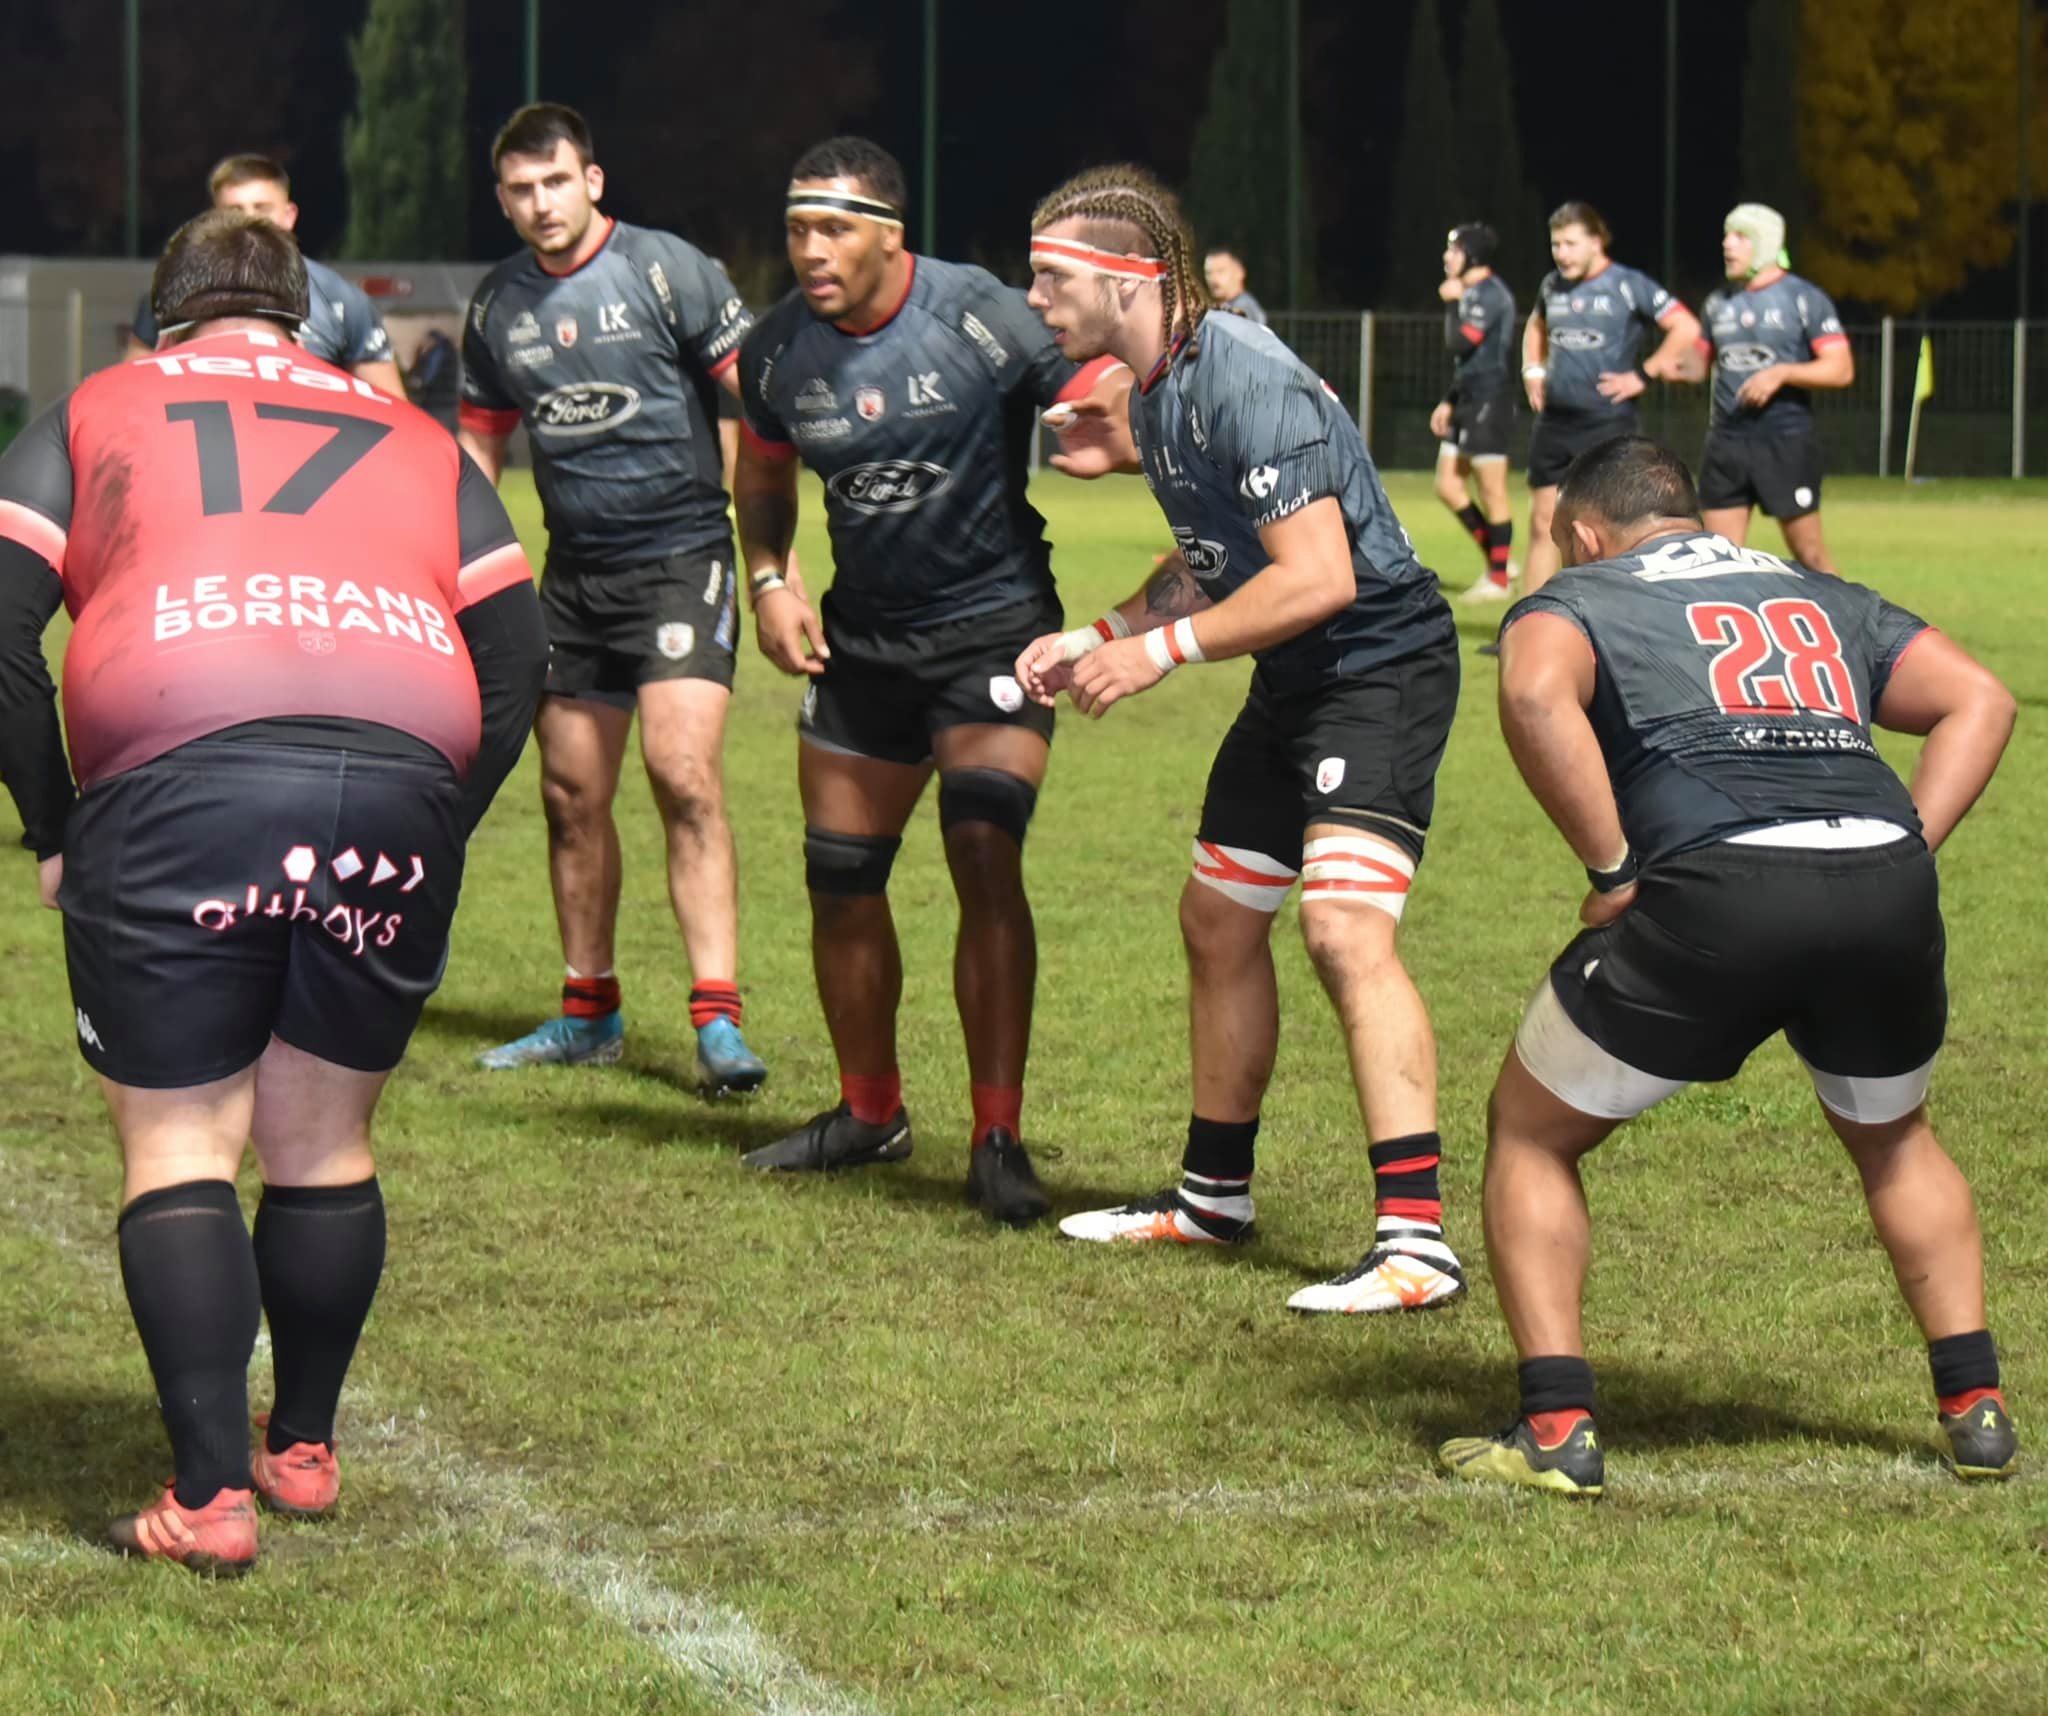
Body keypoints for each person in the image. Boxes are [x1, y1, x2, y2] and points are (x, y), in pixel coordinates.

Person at [0, 209, 547, 1572]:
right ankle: (299, 1449)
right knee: (322, 1139)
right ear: (303, 318)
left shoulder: (102, 403)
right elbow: (520, 655)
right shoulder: (412, 431)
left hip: (183, 763)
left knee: (182, 1140)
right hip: (396, 776)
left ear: (165, 315)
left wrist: (53, 824)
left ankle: (207, 1500)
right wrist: (441, 814)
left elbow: (4, 626)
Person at [1440, 436, 2018, 1496]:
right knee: (1895, 1140)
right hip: (1882, 884)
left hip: (1717, 885)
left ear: (1584, 535)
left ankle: (1556, 1428)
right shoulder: (1814, 589)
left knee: (1530, 1130)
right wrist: (1903, 849)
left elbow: (1532, 694)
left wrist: (1611, 869)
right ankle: (1974, 1410)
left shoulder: (1581, 595)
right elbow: (1981, 698)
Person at [1018, 164, 1467, 1314]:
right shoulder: (1156, 390)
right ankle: (1211, 1198)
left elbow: (1317, 578)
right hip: (1295, 674)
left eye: (1051, 276)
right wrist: (1100, 633)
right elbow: (1214, 560)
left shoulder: (1242, 373)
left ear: (1127, 278)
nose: (1035, 298)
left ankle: (1414, 1246)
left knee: (1341, 929)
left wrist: (1157, 656)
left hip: (1376, 662)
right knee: (1216, 919)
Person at [730, 136, 1128, 1224]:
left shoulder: (979, 314)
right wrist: (768, 579)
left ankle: (997, 1137)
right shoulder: (776, 349)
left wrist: (1120, 418)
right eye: (797, 230)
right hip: (863, 645)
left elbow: (1100, 388)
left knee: (983, 850)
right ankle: (870, 1114)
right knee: (838, 877)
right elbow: (761, 465)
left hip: (992, 632)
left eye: (834, 229)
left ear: (890, 235)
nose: (811, 251)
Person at [459, 104, 767, 1093]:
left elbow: (758, 399)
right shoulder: (497, 306)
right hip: (572, 577)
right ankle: (589, 1012)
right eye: (521, 189)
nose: (540, 203)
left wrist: (772, 557)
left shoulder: (665, 269)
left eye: (556, 181)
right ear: (502, 200)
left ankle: (717, 1019)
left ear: (592, 180)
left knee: (684, 776)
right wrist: (469, 568)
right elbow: (479, 446)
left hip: (682, 560)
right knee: (568, 795)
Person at [1517, 203, 1699, 600]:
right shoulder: (1552, 285)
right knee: (1543, 523)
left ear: (1596, 242)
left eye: (1571, 244)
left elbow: (1686, 326)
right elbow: (1536, 325)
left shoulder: (1628, 284)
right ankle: (1532, 616)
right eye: (1556, 245)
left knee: (1609, 530)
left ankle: (1611, 616)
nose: (1561, 253)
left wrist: (1643, 374)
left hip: (1607, 423)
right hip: (1554, 423)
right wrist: (1532, 369)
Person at [124, 154, 403, 398]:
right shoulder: (173, 292)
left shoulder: (342, 300)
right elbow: (130, 392)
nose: (249, 221)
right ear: (214, 218)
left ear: (289, 215)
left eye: (262, 208)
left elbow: (391, 409)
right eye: (234, 211)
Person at [1677, 203, 1853, 574]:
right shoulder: (1718, 303)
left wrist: (1782, 373)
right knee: (1715, 563)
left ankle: (1848, 614)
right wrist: (1668, 358)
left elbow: (1841, 369)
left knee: (1811, 556)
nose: (1727, 244)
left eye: (1740, 236)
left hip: (1784, 441)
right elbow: (1695, 367)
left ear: (1766, 243)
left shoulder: (1803, 299)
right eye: (1726, 235)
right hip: (1726, 443)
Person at [1429, 222, 1518, 602]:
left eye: (1454, 250)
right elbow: (1466, 361)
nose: (1447, 256)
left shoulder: (1490, 294)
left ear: (1473, 256)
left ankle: (1498, 580)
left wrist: (1451, 302)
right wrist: (1449, 400)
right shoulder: (1469, 291)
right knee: (1447, 485)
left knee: (1491, 490)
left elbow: (1460, 343)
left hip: (1490, 400)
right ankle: (1501, 562)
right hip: (1466, 398)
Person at [1202, 247, 1267, 325]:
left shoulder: (1244, 308)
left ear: (1240, 272)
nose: (1213, 278)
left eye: (1221, 271)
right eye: (1208, 272)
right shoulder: (1223, 307)